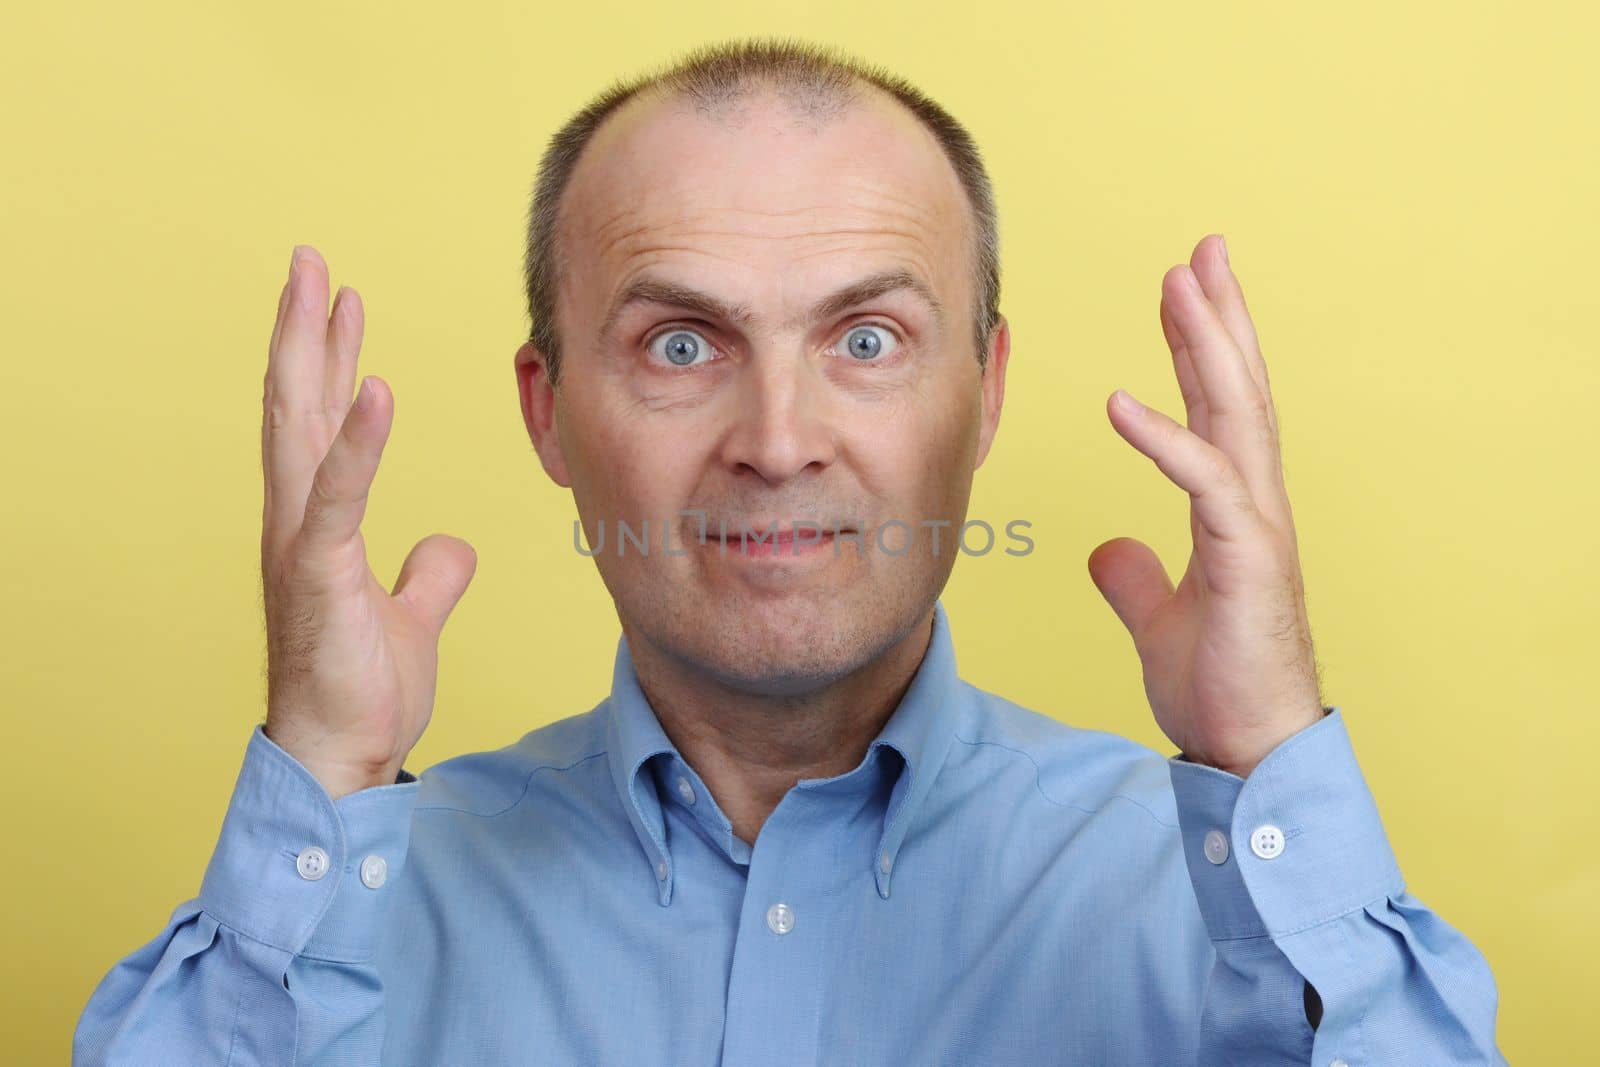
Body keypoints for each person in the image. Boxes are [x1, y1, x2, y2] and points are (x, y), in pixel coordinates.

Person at [73, 37, 1505, 1066]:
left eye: (866, 339)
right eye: (681, 342)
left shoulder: (1236, 894)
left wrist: (1271, 755)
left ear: (986, 393)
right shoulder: (352, 901)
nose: (776, 438)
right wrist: (319, 780)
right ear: (549, 412)